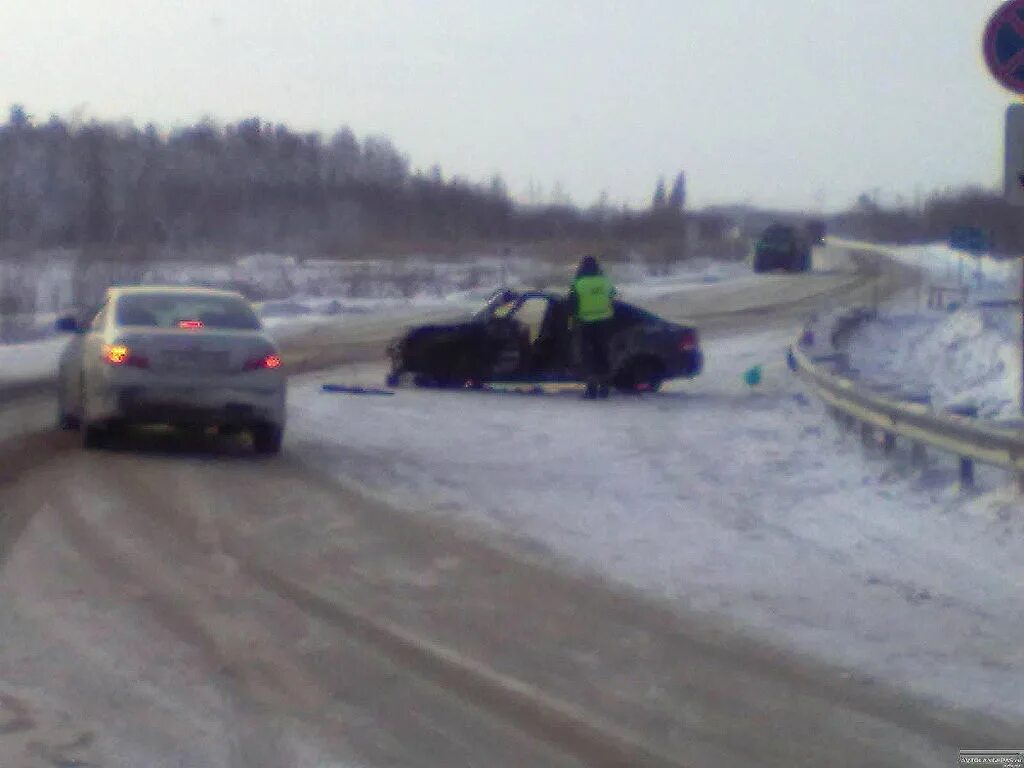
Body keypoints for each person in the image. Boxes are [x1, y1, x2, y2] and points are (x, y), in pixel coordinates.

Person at [568, 255, 616, 399]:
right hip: (604, 322)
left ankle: (591, 389)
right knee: (602, 354)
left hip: (586, 323)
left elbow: (572, 304)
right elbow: (612, 296)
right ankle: (605, 387)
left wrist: (572, 321)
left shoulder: (578, 283)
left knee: (588, 356)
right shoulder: (605, 282)